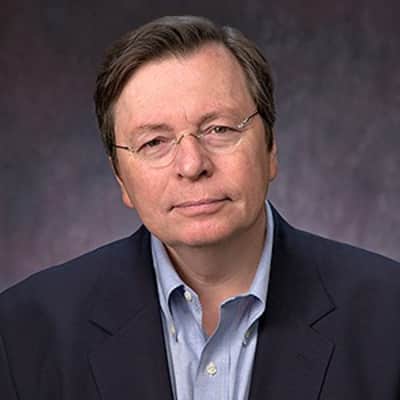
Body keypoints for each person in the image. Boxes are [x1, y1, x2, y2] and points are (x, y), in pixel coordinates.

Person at [1, 15, 399, 400]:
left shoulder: (389, 315)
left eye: (219, 129)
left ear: (271, 149)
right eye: (154, 142)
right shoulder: (24, 333)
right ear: (121, 178)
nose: (192, 165)